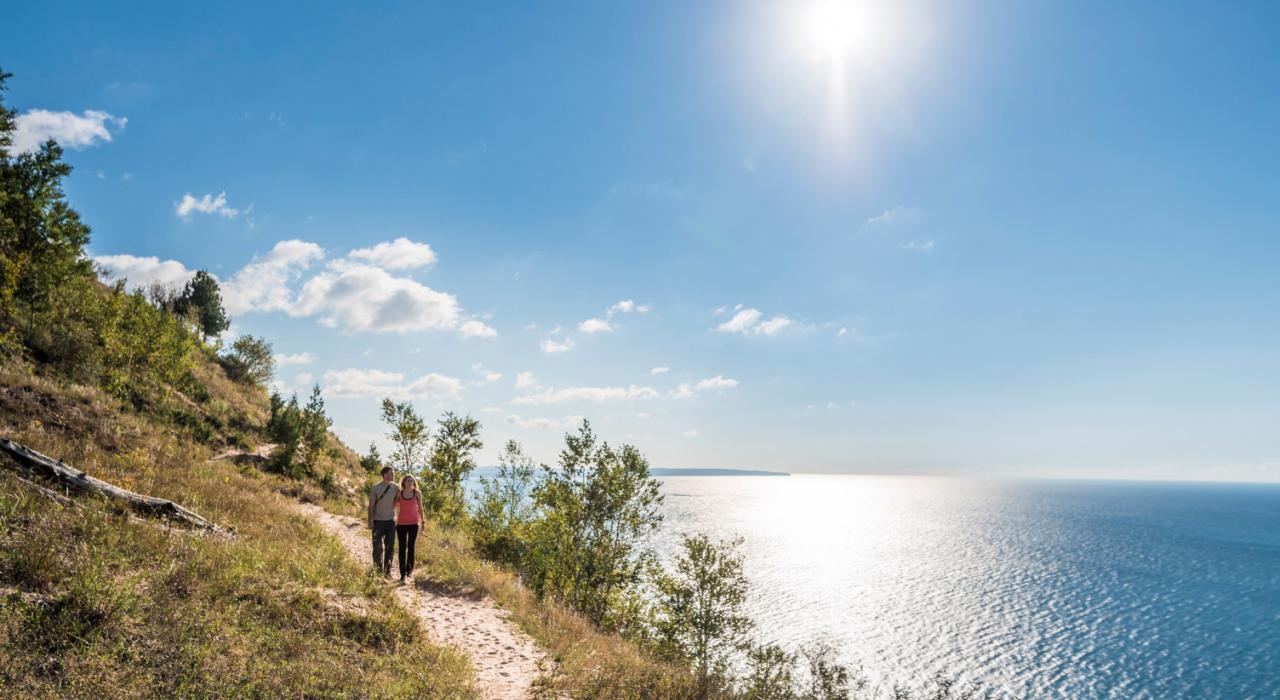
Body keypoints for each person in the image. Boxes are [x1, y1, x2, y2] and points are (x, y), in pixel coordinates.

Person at [368, 466, 399, 576]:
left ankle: (387, 571)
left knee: (390, 547)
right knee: (377, 548)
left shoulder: (396, 488)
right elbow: (371, 506)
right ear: (385, 475)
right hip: (377, 521)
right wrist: (370, 521)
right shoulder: (375, 488)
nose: (393, 476)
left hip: (390, 521)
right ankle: (378, 570)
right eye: (391, 473)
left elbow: (402, 500)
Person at [395, 474, 426, 583]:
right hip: (401, 524)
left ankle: (409, 570)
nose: (410, 482)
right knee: (402, 548)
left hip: (414, 523)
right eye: (408, 481)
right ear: (404, 482)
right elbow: (394, 506)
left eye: (412, 481)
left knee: (411, 547)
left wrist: (423, 522)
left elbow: (421, 508)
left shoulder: (417, 493)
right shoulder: (400, 493)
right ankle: (402, 573)